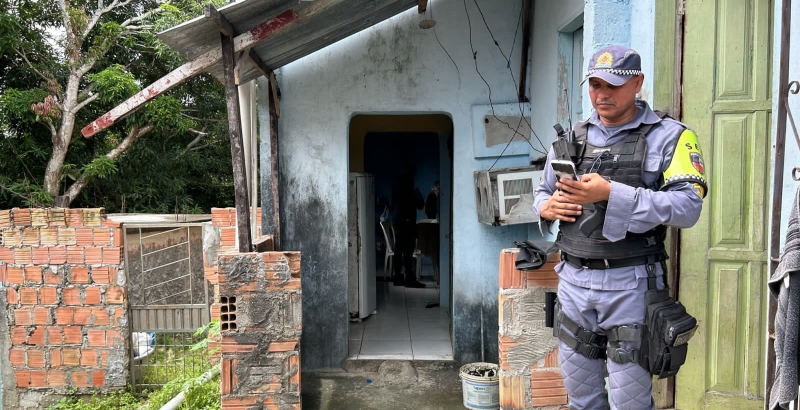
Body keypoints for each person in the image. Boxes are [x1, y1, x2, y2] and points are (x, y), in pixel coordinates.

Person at [532, 45, 708, 409]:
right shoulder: (573, 139)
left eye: (612, 85)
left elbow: (688, 207)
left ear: (638, 83)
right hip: (574, 284)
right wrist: (547, 207)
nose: (602, 94)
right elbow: (543, 190)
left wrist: (611, 193)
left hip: (632, 287)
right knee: (582, 400)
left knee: (630, 403)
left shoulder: (671, 137)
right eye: (595, 85)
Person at [391, 161, 426, 288]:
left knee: (399, 249)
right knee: (407, 250)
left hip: (397, 220)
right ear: (410, 169)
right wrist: (417, 195)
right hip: (406, 220)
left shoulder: (397, 182)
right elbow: (414, 203)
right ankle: (409, 279)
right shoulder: (407, 181)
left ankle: (398, 277)